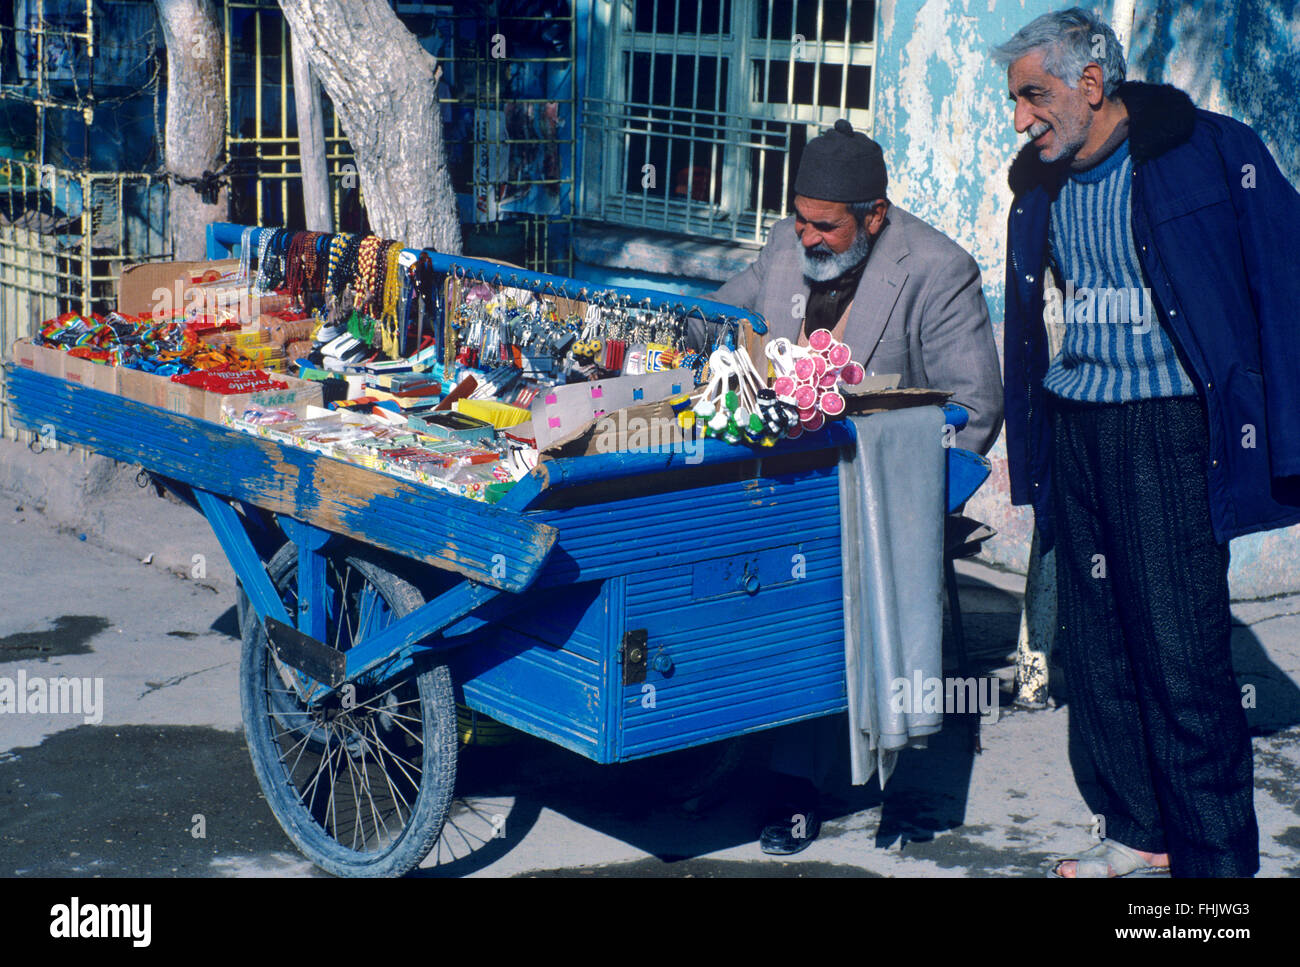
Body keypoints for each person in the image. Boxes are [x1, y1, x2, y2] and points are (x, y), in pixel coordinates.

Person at [994, 7, 1300, 878]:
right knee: (1096, 647)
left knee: (1181, 656)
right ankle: (1138, 829)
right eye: (1014, 100)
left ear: (1092, 85)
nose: (1020, 118)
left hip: (1167, 430)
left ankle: (1214, 877)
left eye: (1034, 96)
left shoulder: (1205, 154)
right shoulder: (1040, 183)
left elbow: (1285, 273)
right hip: (1076, 425)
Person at [701, 119, 1004, 854]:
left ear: (874, 215)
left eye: (825, 226)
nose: (806, 238)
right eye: (799, 220)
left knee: (814, 593)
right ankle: (717, 736)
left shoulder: (937, 268)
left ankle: (797, 787)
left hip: (875, 496)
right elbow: (718, 318)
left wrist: (911, 503)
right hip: (770, 479)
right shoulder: (787, 242)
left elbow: (976, 403)